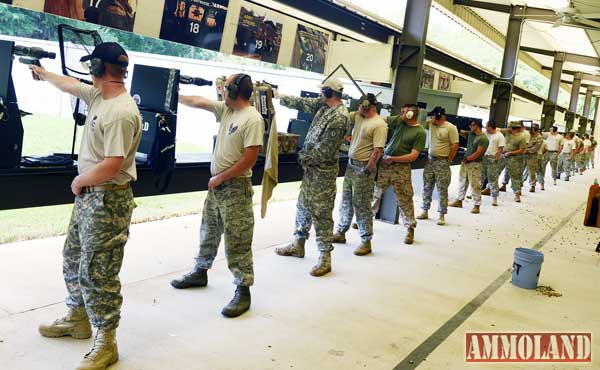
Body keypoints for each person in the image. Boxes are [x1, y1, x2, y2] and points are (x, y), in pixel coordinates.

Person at [32, 43, 141, 370]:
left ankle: (106, 341)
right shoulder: (98, 96)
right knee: (74, 257)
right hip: (91, 197)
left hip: (106, 197)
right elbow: (70, 84)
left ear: (97, 67)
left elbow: (113, 164)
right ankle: (78, 319)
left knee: (99, 271)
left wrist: (80, 181)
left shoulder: (121, 112)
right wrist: (43, 73)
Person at [170, 73, 263, 318]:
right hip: (218, 187)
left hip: (235, 188)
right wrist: (172, 96)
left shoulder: (252, 119)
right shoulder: (228, 110)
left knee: (238, 239)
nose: (220, 91)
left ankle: (243, 289)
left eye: (224, 87)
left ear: (233, 92)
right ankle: (200, 271)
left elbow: (250, 159)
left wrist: (220, 177)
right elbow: (199, 101)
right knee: (209, 231)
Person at [274, 77, 349, 276]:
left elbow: (324, 152)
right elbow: (304, 103)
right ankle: (298, 244)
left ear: (328, 93)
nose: (318, 95)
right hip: (311, 171)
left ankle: (325, 258)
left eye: (321, 92)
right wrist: (279, 97)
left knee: (321, 214)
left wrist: (301, 157)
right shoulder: (325, 106)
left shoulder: (339, 117)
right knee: (303, 207)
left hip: (322, 173)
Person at [332, 94, 387, 256]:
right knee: (346, 200)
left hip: (364, 168)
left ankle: (366, 240)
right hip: (351, 165)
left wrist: (368, 170)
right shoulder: (359, 117)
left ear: (367, 105)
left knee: (361, 204)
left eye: (360, 105)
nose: (357, 108)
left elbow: (378, 150)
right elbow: (342, 114)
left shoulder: (379, 125)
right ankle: (341, 232)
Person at [372, 104, 426, 241]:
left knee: (404, 198)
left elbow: (413, 156)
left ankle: (409, 228)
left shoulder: (420, 132)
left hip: (400, 168)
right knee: (375, 193)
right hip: (386, 164)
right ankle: (366, 220)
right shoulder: (399, 122)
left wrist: (393, 159)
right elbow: (382, 119)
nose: (401, 114)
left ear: (411, 114)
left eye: (404, 112)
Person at [417, 106, 459, 225]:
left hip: (442, 161)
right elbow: (419, 122)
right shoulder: (431, 124)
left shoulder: (450, 127)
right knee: (427, 186)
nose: (432, 118)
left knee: (442, 189)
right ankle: (425, 210)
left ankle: (441, 214)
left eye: (434, 116)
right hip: (430, 161)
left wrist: (448, 160)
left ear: (439, 115)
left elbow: (455, 145)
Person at [449, 120, 489, 213]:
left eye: (472, 125)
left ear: (478, 126)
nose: (470, 126)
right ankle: (459, 200)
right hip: (466, 161)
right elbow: (462, 132)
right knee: (462, 181)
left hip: (475, 163)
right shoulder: (471, 134)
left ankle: (477, 205)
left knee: (475, 185)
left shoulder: (483, 139)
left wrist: (468, 159)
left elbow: (479, 152)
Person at [501, 121, 528, 202]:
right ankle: (492, 187)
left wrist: (510, 153)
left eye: (509, 126)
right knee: (495, 172)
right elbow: (497, 130)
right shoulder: (507, 133)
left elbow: (522, 150)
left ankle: (517, 194)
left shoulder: (522, 137)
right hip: (504, 156)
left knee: (516, 176)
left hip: (515, 159)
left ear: (513, 128)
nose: (507, 128)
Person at [481, 120, 505, 206]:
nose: (486, 128)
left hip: (492, 158)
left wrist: (496, 159)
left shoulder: (499, 135)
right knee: (480, 177)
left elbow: (500, 149)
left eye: (487, 127)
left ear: (491, 127)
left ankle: (494, 198)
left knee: (493, 179)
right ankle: (475, 195)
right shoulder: (485, 133)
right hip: (483, 157)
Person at [525, 125, 544, 192]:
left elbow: (535, 148)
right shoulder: (527, 134)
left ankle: (532, 185)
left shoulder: (539, 137)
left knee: (531, 171)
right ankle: (519, 184)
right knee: (520, 170)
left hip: (532, 156)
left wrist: (526, 150)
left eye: (532, 129)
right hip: (523, 154)